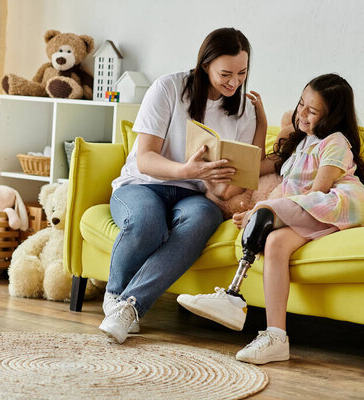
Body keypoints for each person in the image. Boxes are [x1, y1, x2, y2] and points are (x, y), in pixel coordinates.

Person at [177, 74, 364, 364]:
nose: (302, 114)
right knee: (274, 245)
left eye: (312, 111)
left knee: (266, 216)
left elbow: (317, 191)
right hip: (311, 213)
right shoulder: (299, 146)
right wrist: (258, 211)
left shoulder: (335, 142)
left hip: (338, 205)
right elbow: (287, 190)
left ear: (332, 116)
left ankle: (232, 296)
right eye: (301, 105)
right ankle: (276, 337)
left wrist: (267, 212)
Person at [100, 27, 267, 344]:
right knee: (147, 222)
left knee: (204, 217)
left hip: (193, 195)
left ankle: (129, 308)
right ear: (205, 65)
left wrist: (260, 126)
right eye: (225, 74)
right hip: (142, 184)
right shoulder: (168, 88)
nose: (234, 82)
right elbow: (145, 158)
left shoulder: (243, 110)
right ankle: (116, 294)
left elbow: (238, 179)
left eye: (242, 73)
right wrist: (187, 169)